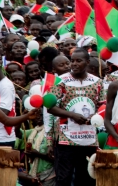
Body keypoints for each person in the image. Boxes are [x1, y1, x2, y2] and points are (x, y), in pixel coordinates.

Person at [47, 47, 105, 186]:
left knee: (86, 178)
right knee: (63, 178)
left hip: (89, 139)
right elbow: (51, 107)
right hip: (66, 138)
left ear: (88, 62)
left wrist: (95, 116)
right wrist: (72, 115)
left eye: (79, 61)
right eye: (72, 61)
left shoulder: (97, 82)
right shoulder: (60, 80)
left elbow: (103, 106)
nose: (74, 64)